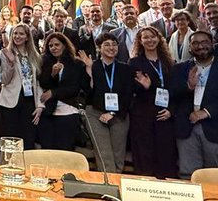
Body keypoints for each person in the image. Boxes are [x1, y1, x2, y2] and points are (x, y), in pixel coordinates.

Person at [169, 30, 218, 177]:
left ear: (212, 44)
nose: (200, 46)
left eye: (204, 42)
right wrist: (188, 86)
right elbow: (171, 94)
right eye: (195, 43)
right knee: (187, 174)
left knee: (214, 175)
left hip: (216, 127)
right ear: (189, 47)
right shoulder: (179, 68)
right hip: (186, 128)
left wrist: (206, 112)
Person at [128, 27, 176, 178]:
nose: (150, 40)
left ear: (159, 39)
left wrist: (171, 110)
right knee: (145, 157)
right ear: (140, 41)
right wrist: (144, 87)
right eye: (146, 37)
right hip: (143, 116)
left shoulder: (169, 63)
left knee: (166, 156)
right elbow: (130, 90)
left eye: (153, 36)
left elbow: (175, 91)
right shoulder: (134, 63)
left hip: (165, 116)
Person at [84, 33, 133, 174]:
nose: (111, 47)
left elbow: (128, 94)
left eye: (114, 44)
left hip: (119, 113)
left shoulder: (125, 68)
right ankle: (108, 183)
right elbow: (88, 93)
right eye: (107, 44)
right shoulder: (93, 66)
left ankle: (116, 181)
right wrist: (89, 71)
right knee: (104, 153)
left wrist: (112, 113)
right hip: (96, 113)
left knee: (118, 154)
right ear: (99, 48)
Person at [37, 32, 87, 152]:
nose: (53, 48)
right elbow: (44, 84)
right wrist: (53, 75)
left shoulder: (76, 63)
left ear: (64, 45)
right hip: (49, 112)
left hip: (68, 111)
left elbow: (75, 88)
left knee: (65, 151)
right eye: (50, 46)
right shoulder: (45, 62)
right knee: (47, 150)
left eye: (57, 45)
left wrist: (53, 93)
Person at [0, 23, 41, 152]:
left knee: (28, 139)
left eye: (21, 34)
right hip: (10, 101)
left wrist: (40, 105)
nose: (17, 36)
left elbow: (37, 83)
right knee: (10, 141)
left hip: (29, 100)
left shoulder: (34, 55)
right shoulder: (5, 53)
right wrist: (11, 64)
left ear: (27, 37)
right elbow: (4, 80)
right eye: (15, 33)